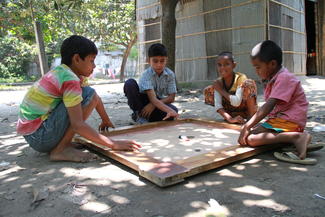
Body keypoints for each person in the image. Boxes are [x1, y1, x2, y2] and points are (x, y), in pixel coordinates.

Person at [17, 35, 141, 162]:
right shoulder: (70, 79)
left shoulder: (64, 72)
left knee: (88, 93)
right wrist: (113, 144)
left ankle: (62, 145)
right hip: (40, 136)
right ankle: (61, 149)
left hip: (35, 134)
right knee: (88, 94)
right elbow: (78, 124)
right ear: (76, 59)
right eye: (91, 61)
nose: (94, 66)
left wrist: (105, 120)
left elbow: (95, 98)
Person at [238, 40, 315, 164]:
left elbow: (268, 106)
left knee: (251, 139)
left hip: (290, 120)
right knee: (254, 132)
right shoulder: (273, 78)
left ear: (272, 64)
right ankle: (293, 137)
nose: (256, 71)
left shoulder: (284, 77)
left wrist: (248, 125)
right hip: (282, 120)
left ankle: (297, 137)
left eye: (258, 67)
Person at [123, 43, 179, 124]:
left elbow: (171, 98)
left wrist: (153, 105)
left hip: (157, 102)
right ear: (148, 60)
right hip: (143, 101)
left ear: (167, 60)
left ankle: (147, 117)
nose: (159, 64)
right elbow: (152, 99)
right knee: (129, 83)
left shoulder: (170, 74)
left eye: (162, 61)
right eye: (155, 61)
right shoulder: (146, 75)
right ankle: (138, 114)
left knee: (174, 110)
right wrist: (167, 110)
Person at [204, 51, 257, 124]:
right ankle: (231, 117)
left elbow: (236, 102)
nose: (222, 67)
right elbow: (218, 105)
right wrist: (230, 119)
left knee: (249, 84)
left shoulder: (240, 78)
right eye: (219, 65)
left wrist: (221, 90)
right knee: (209, 89)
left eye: (226, 64)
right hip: (232, 113)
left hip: (245, 110)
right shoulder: (218, 82)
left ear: (234, 65)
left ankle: (251, 119)